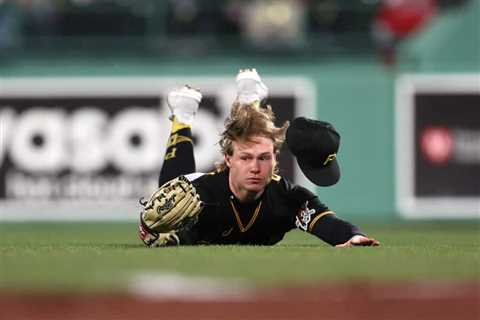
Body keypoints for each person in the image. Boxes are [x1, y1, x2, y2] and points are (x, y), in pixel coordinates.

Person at [138, 68, 379, 248]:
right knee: (173, 186)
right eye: (245, 158)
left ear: (275, 159)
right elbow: (161, 235)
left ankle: (249, 100)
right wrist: (152, 231)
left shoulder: (287, 197)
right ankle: (182, 117)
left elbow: (326, 222)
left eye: (264, 158)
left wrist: (352, 235)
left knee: (250, 132)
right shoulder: (200, 196)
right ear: (228, 159)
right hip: (199, 184)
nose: (255, 167)